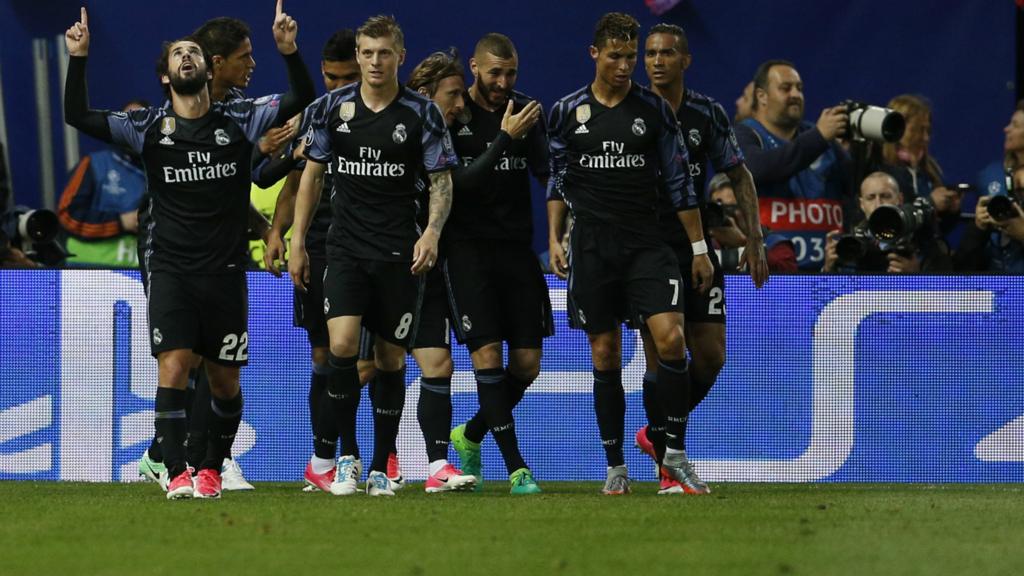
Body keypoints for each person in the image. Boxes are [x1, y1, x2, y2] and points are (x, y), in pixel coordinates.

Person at [64, 1, 314, 499]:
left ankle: (212, 467)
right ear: (165, 76)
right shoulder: (148, 128)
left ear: (207, 68)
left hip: (223, 268)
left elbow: (301, 95)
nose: (186, 57)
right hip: (171, 263)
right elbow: (76, 115)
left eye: (193, 52)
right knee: (175, 364)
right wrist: (79, 58)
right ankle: (175, 469)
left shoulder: (240, 118)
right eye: (177, 53)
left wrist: (289, 51)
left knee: (224, 381)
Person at [289, 15, 458, 497]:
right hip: (344, 248)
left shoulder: (421, 114)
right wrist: (299, 240)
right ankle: (341, 459)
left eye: (384, 53)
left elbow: (441, 181)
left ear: (400, 57)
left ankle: (383, 466)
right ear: (358, 56)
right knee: (342, 346)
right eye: (367, 53)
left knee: (388, 358)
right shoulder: (331, 108)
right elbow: (312, 177)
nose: (375, 61)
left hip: (398, 252)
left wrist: (431, 233)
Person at [547, 13, 713, 495]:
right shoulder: (566, 112)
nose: (625, 66)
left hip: (647, 244)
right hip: (593, 247)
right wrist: (556, 239)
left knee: (670, 340)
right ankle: (615, 466)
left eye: (630, 57)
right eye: (615, 56)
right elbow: (558, 180)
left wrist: (699, 249)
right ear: (594, 54)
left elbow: (681, 184)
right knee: (605, 354)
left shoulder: (655, 111)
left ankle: (674, 455)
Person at [136, 15, 286, 493]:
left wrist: (265, 221)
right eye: (244, 56)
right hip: (169, 245)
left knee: (212, 363)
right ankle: (185, 460)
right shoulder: (175, 110)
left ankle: (185, 458)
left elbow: (240, 183)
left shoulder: (240, 111)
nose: (252, 65)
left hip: (220, 250)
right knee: (185, 357)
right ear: (215, 63)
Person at [254, 29, 392, 494]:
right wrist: (279, 234)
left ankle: (372, 455)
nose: (337, 86)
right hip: (319, 244)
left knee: (369, 358)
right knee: (324, 356)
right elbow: (295, 182)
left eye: (346, 77)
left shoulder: (386, 114)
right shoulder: (318, 115)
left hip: (370, 244)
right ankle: (325, 456)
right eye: (330, 78)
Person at [633, 23, 768, 494]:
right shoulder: (630, 109)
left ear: (685, 60)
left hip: (698, 247)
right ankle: (670, 467)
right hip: (647, 249)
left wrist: (754, 239)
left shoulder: (706, 113)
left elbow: (739, 172)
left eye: (667, 53)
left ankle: (658, 435)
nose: (656, 61)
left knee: (709, 358)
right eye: (649, 53)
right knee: (663, 354)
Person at [442, 33, 550, 494]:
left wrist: (564, 229)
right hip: (466, 252)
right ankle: (516, 468)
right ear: (474, 67)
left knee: (526, 365)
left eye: (510, 73)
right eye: (494, 73)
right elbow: (459, 185)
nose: (503, 82)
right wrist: (505, 139)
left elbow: (549, 174)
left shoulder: (526, 114)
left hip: (516, 251)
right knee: (486, 357)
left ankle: (470, 434)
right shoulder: (454, 114)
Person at [735, 59, 851, 270]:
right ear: (761, 96)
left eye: (799, 88)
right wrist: (819, 137)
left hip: (831, 273)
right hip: (775, 274)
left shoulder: (823, 139)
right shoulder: (745, 134)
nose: (796, 94)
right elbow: (757, 169)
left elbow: (855, 186)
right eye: (785, 88)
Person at [58, 100, 149, 268]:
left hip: (141, 276)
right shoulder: (94, 164)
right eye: (127, 121)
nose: (134, 128)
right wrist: (121, 222)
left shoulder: (164, 170)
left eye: (142, 121)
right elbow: (67, 216)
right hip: (87, 273)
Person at [877, 94, 965, 249]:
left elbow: (933, 232)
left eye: (928, 130)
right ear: (899, 128)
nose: (925, 138)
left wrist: (950, 212)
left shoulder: (929, 171)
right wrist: (930, 203)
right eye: (918, 130)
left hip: (925, 265)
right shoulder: (879, 171)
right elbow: (886, 223)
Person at [823, 171, 951, 273]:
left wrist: (915, 275)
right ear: (862, 204)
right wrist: (828, 269)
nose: (878, 204)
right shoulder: (853, 244)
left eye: (885, 196)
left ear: (899, 199)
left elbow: (944, 300)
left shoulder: (923, 239)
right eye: (871, 198)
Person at [956, 101, 1024, 273]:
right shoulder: (991, 175)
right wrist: (978, 225)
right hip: (993, 278)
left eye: (1015, 125)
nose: (1006, 129)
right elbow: (964, 262)